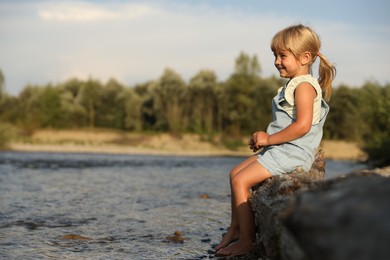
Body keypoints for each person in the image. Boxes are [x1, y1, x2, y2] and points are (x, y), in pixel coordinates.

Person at [215, 24, 336, 257]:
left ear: (305, 58)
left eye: (282, 56)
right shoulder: (294, 84)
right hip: (281, 147)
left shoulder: (304, 87)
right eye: (275, 56)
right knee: (234, 175)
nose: (277, 61)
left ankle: (247, 241)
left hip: (292, 151)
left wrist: (269, 138)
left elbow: (302, 126)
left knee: (242, 182)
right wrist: (266, 140)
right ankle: (236, 229)